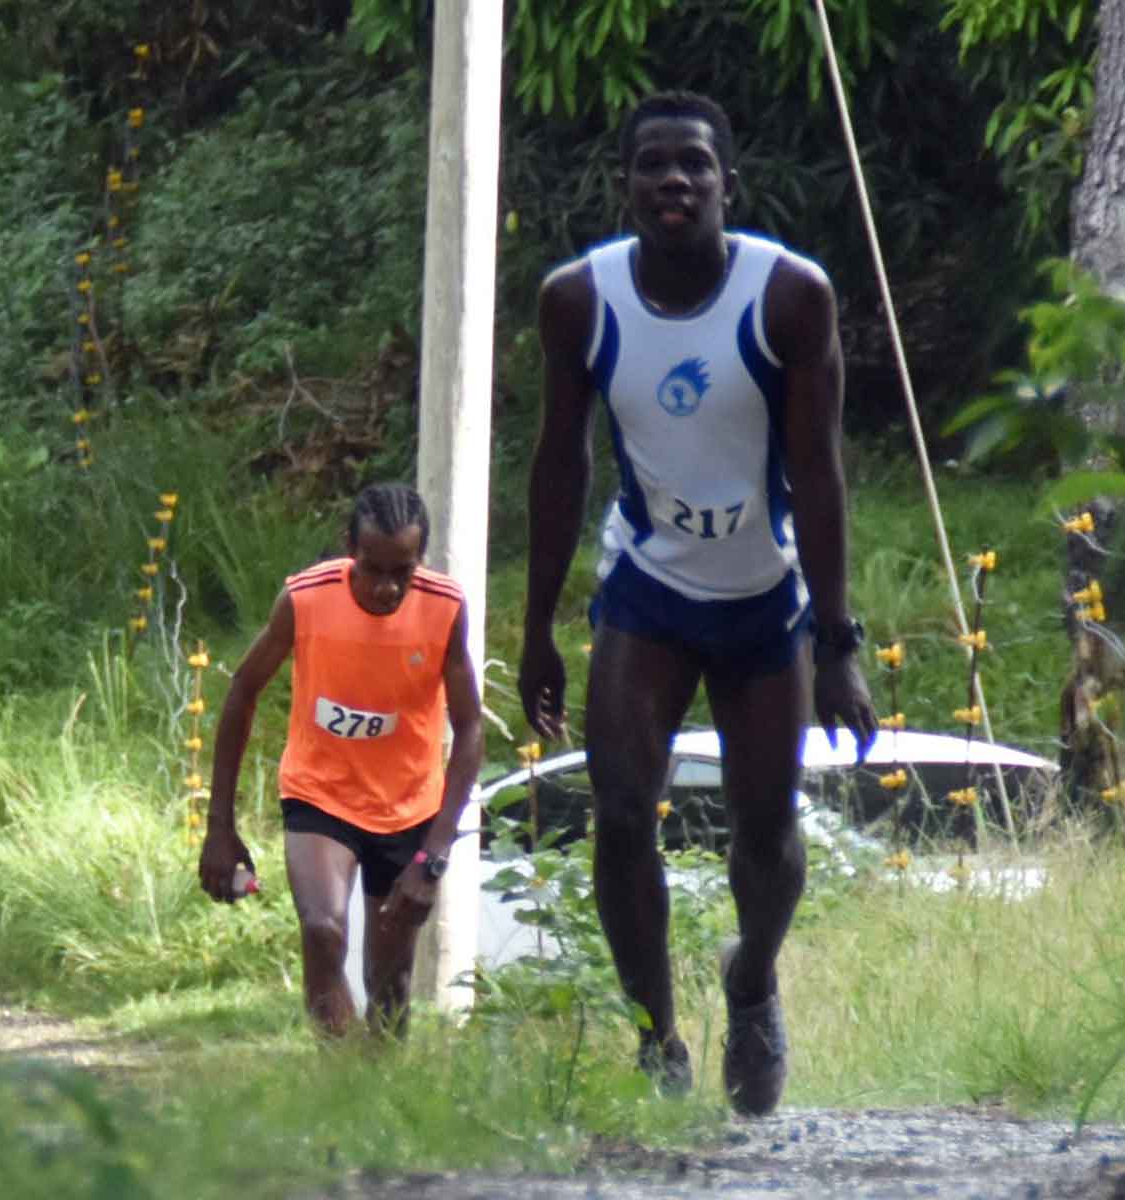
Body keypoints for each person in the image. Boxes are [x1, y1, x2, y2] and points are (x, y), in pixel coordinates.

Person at [520, 91, 878, 1116]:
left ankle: (751, 981)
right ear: (623, 185)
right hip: (646, 589)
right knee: (621, 811)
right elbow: (558, 464)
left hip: (763, 598)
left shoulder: (786, 297)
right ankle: (655, 1039)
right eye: (651, 168)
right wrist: (537, 628)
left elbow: (818, 470)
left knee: (764, 833)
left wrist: (837, 639)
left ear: (728, 184)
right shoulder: (578, 301)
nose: (672, 183)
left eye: (693, 168)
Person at [199, 482, 483, 1038]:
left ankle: (376, 1097)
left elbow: (470, 726)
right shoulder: (306, 599)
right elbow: (242, 690)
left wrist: (434, 855)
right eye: (373, 568)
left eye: (402, 570)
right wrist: (219, 827)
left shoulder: (444, 607)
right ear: (349, 549)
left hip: (408, 809)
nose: (387, 587)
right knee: (324, 930)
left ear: (419, 558)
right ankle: (337, 1077)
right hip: (320, 796)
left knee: (391, 985)